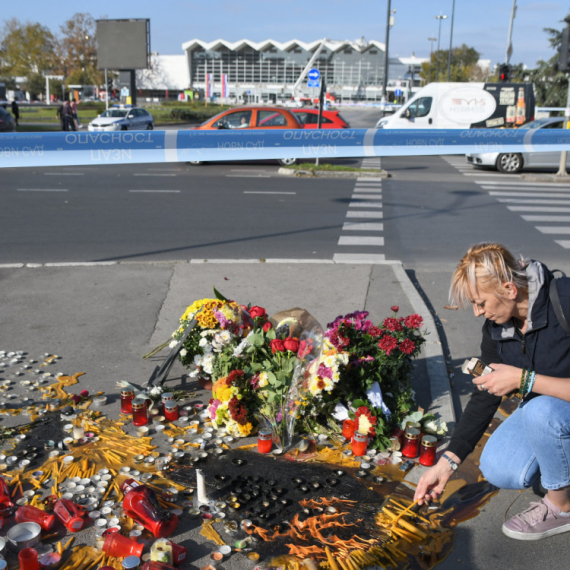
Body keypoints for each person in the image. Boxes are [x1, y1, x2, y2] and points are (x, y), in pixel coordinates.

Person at [414, 243, 570, 541]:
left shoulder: (564, 300)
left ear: (510, 289)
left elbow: (529, 386)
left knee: (540, 411)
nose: (477, 313)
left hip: (551, 411)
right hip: (551, 411)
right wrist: (447, 462)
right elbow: (485, 395)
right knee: (500, 468)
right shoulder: (496, 328)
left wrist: (525, 380)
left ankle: (561, 507)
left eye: (480, 302)